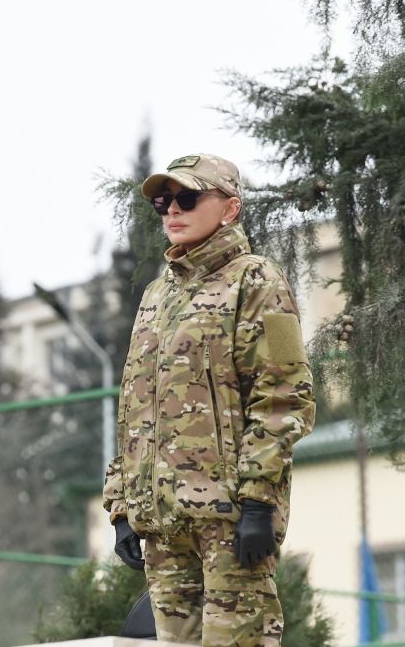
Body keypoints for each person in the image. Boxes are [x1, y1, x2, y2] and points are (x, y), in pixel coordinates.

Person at [102, 154, 315, 646]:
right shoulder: (157, 295)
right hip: (161, 521)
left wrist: (259, 502)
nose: (172, 210)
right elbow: (135, 406)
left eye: (188, 198)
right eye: (163, 201)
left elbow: (284, 394)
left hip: (230, 518)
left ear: (231, 209)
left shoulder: (256, 280)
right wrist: (122, 508)